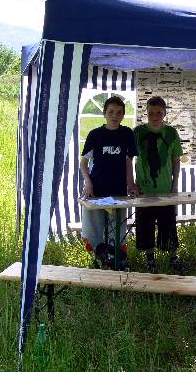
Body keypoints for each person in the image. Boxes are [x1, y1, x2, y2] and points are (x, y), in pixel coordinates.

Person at [79, 96, 138, 270]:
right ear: (104, 113)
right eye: (111, 112)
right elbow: (83, 164)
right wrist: (88, 183)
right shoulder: (95, 134)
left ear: (123, 115)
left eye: (119, 113)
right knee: (95, 230)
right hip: (96, 191)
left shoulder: (127, 134)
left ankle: (116, 262)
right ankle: (100, 261)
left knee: (117, 231)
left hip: (118, 191)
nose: (115, 116)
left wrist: (131, 185)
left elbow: (128, 162)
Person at [134, 96, 183, 273]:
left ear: (164, 114)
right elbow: (128, 159)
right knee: (145, 226)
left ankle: (173, 257)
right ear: (146, 113)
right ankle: (150, 259)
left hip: (165, 191)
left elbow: (176, 160)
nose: (155, 116)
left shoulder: (171, 133)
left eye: (159, 113)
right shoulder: (137, 132)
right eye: (151, 113)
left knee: (168, 225)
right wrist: (131, 184)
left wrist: (175, 185)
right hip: (143, 191)